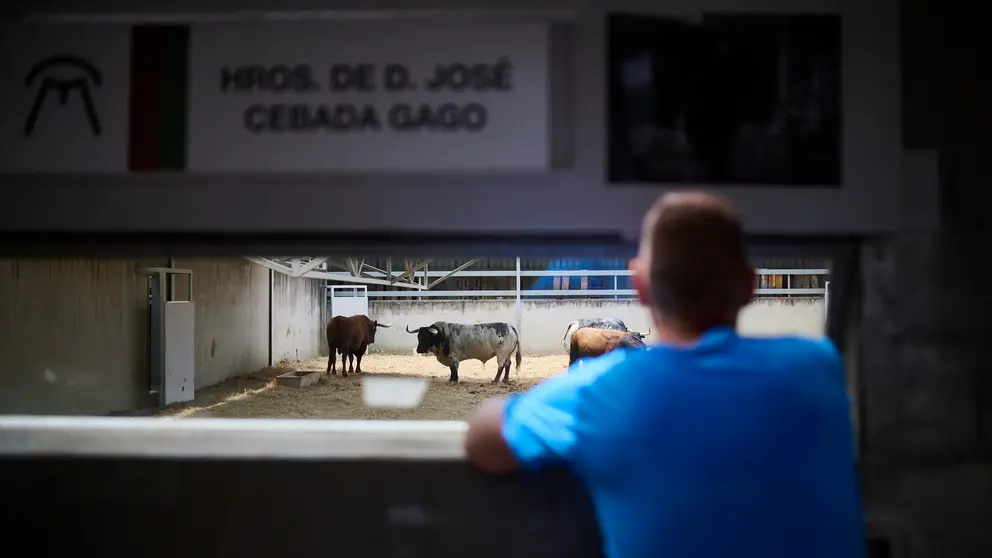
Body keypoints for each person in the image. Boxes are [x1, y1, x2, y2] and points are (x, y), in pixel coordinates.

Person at [464, 191, 864, 558]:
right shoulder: (817, 365)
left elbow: (483, 439)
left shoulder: (597, 390)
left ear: (641, 287)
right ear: (749, 284)